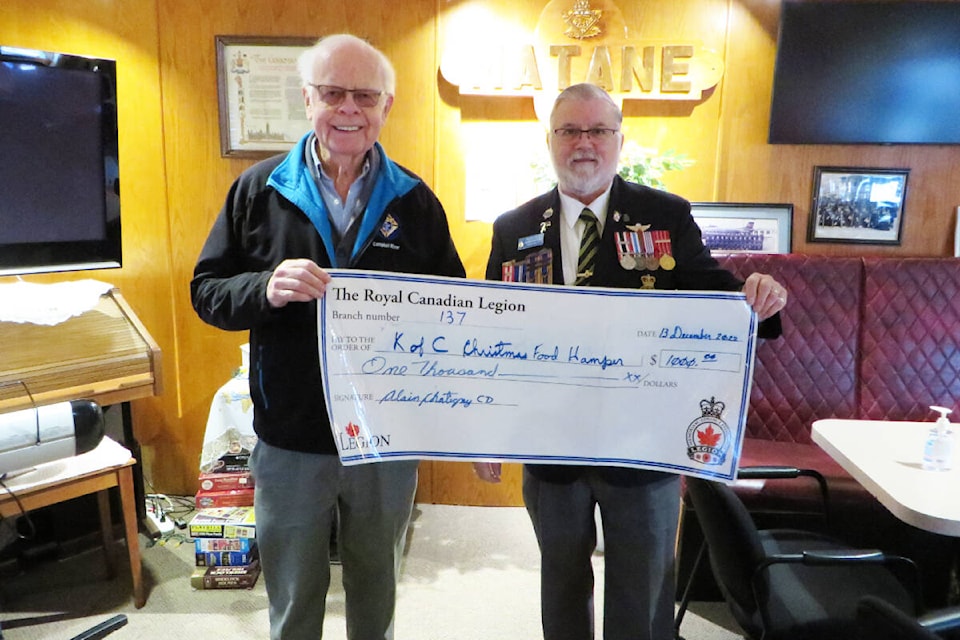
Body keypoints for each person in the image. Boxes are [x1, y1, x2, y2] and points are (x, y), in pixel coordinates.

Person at [473, 83, 787, 640]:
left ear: (620, 140)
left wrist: (757, 299)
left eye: (598, 130)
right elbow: (494, 333)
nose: (584, 143)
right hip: (551, 446)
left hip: (643, 448)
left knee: (641, 593)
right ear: (550, 141)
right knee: (562, 586)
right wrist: (487, 431)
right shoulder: (513, 227)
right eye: (570, 130)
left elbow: (716, 296)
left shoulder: (663, 214)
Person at [191, 34, 465, 640]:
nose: (349, 108)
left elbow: (455, 309)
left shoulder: (416, 201)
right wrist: (265, 287)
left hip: (384, 439)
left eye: (364, 95)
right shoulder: (257, 191)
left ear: (386, 106)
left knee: (377, 590)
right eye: (333, 93)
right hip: (291, 439)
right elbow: (207, 292)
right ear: (308, 99)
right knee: (293, 598)